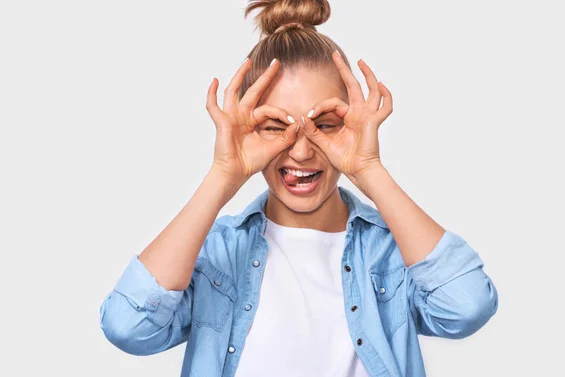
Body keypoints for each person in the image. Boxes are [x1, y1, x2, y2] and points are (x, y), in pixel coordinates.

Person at [99, 1, 499, 376]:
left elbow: (466, 308)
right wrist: (223, 174)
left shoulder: (392, 253)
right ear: (249, 128)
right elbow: (129, 327)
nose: (303, 151)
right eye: (276, 127)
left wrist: (370, 169)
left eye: (324, 125)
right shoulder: (215, 253)